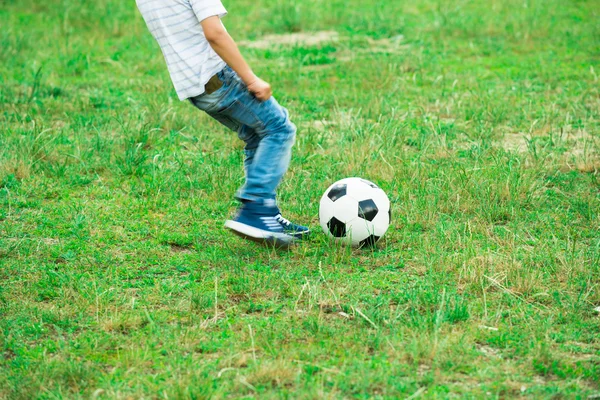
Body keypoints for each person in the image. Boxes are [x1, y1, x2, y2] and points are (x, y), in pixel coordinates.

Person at [136, 0, 309, 247]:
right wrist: (251, 79)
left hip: (195, 88)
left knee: (255, 135)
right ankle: (257, 207)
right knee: (279, 128)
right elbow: (214, 33)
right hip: (217, 77)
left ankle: (266, 217)